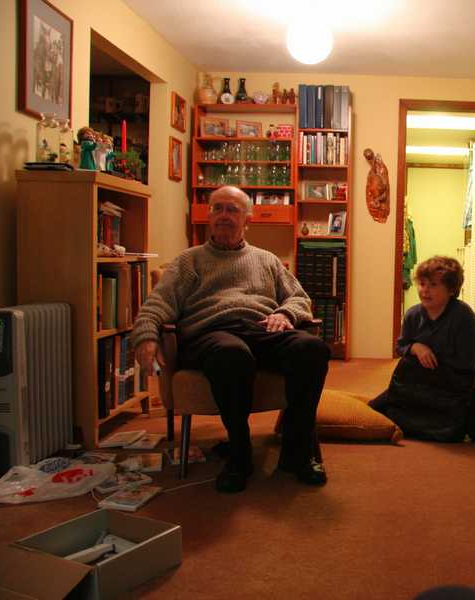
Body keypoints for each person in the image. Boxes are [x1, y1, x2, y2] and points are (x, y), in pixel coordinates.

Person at [132, 186, 330, 493]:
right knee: (232, 354)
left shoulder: (267, 260)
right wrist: (146, 336)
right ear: (209, 216)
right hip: (210, 333)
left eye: (233, 209)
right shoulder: (188, 261)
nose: (224, 215)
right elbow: (158, 303)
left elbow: (299, 298)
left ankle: (297, 452)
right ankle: (239, 455)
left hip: (260, 328)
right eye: (218, 208)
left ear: (247, 220)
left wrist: (286, 314)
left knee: (312, 348)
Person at [370, 256, 475, 445]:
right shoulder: (413, 315)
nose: (425, 290)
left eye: (433, 285)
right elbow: (400, 346)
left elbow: (467, 364)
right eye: (422, 284)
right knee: (371, 411)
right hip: (418, 383)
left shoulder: (465, 318)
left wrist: (434, 361)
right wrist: (416, 347)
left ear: (451, 289)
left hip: (456, 386)